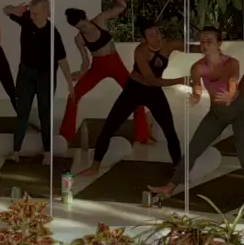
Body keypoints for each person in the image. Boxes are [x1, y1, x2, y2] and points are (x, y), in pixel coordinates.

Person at [154, 27, 244, 219]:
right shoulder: (197, 67)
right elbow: (197, 87)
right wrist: (196, 97)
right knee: (193, 149)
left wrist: (230, 95)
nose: (204, 45)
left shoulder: (232, 63)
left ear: (219, 43)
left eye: (209, 41)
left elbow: (233, 83)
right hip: (217, 113)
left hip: (240, 112)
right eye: (202, 41)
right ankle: (170, 187)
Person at [77, 20, 184, 180]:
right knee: (109, 127)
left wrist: (208, 48)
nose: (156, 38)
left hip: (154, 93)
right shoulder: (140, 51)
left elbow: (191, 48)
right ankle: (94, 167)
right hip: (135, 90)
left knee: (170, 130)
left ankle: (178, 167)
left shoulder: (169, 45)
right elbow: (152, 80)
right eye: (151, 35)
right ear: (144, 39)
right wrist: (181, 80)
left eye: (157, 33)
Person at [58, 0, 152, 145]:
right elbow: (85, 61)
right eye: (79, 28)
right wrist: (80, 73)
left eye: (83, 25)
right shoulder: (79, 39)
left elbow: (120, 8)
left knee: (135, 95)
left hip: (115, 63)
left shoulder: (100, 19)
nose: (83, 29)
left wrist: (118, 0)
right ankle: (65, 135)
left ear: (86, 18)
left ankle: (143, 136)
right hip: (98, 67)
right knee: (73, 95)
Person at [7, 0, 75, 159]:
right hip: (26, 73)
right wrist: (13, 9)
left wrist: (69, 84)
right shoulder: (26, 19)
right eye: (31, 12)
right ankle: (16, 152)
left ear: (45, 12)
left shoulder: (52, 33)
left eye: (35, 13)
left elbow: (62, 61)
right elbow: (6, 10)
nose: (32, 16)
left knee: (45, 114)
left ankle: (47, 152)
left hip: (46, 76)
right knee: (22, 112)